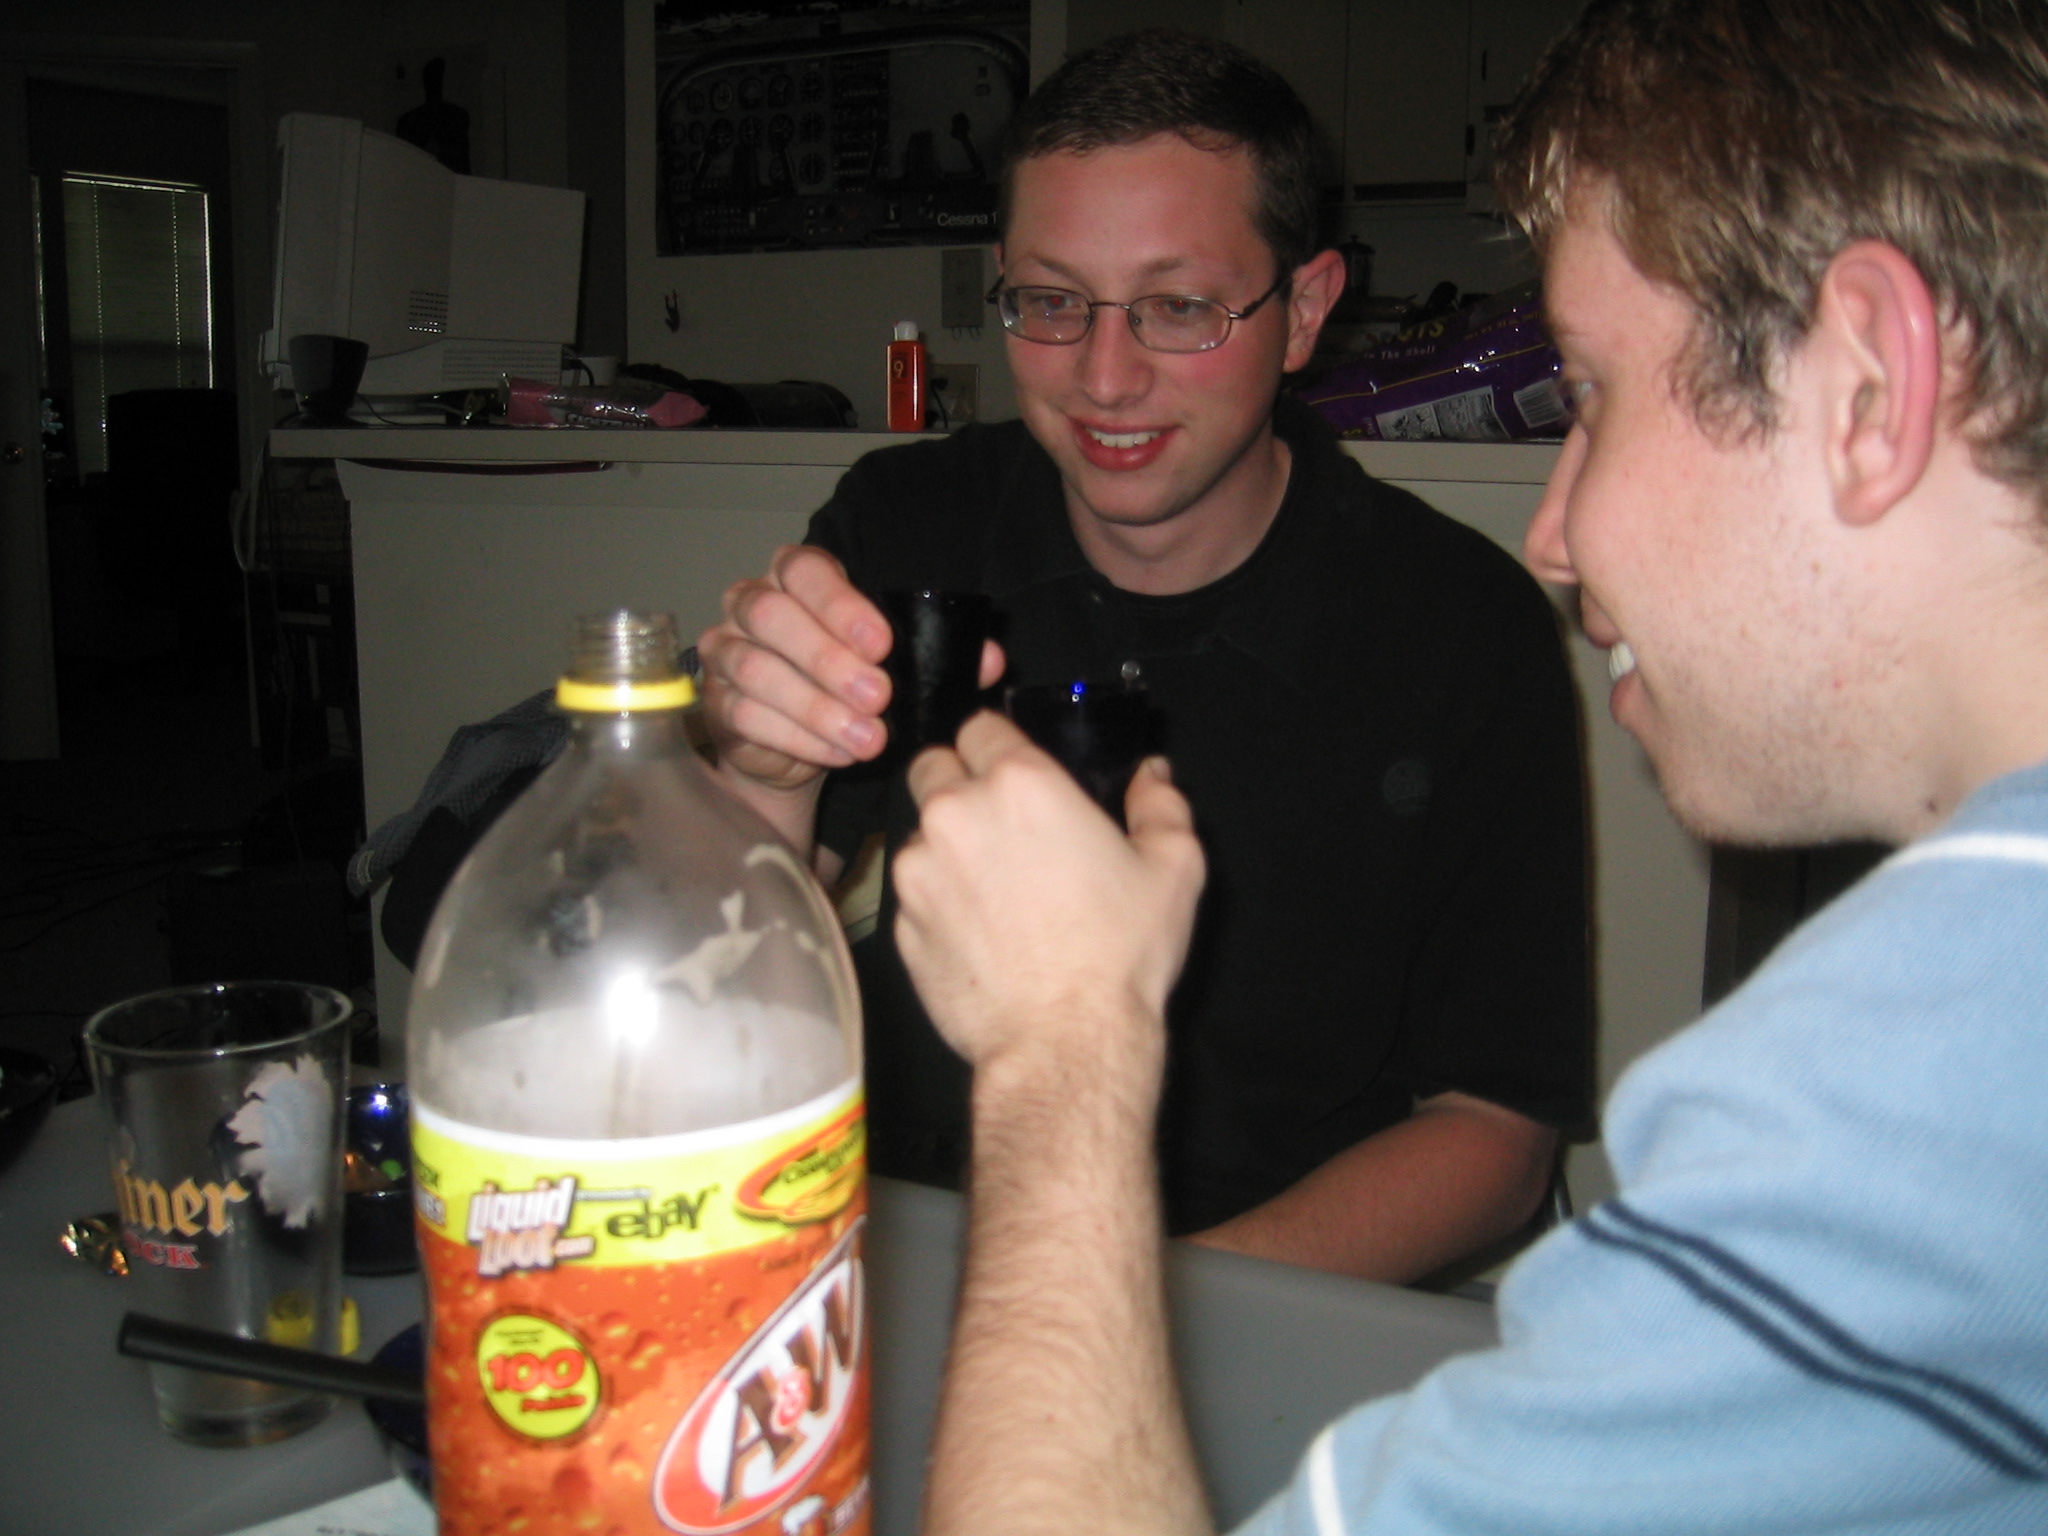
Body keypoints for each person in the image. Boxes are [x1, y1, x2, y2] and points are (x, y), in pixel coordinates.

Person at [888, 0, 2048, 1530]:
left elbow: (1495, 1131)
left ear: (1874, 388)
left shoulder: (1878, 1137)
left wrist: (1059, 1056)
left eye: (1589, 394)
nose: (1553, 535)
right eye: (1052, 302)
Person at [698, 30, 1592, 1283]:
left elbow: (1494, 1129)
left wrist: (1131, 1313)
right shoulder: (906, 529)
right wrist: (759, 779)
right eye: (1052, 302)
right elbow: (721, 985)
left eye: (1178, 307)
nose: (1104, 379)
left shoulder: (1461, 626)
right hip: (907, 1250)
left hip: (1265, 1289)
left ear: (1304, 311)